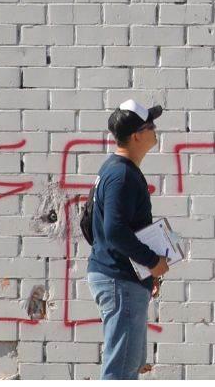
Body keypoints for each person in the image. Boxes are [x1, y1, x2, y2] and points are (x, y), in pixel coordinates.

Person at [87, 99, 170, 380]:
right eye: (150, 126)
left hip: (124, 279)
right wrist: (151, 262)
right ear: (137, 135)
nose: (155, 130)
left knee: (129, 367)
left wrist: (147, 275)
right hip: (119, 281)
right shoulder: (121, 175)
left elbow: (95, 228)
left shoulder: (116, 171)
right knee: (120, 372)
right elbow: (114, 231)